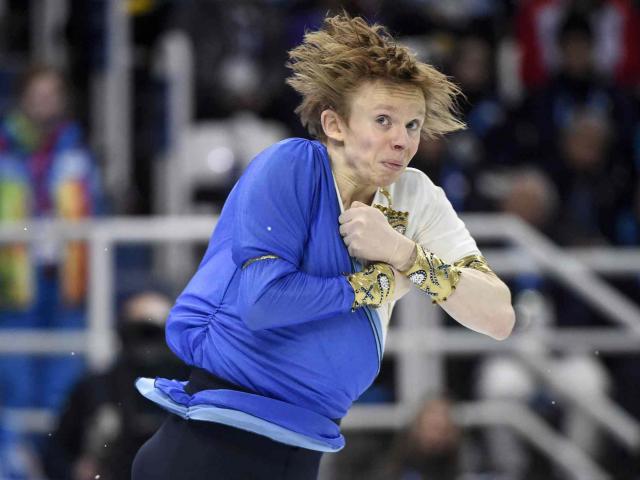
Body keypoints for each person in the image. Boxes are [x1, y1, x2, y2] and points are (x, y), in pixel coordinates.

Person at [131, 13, 515, 480]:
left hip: (302, 449)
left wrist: (406, 256)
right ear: (335, 124)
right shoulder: (291, 166)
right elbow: (264, 302)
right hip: (209, 443)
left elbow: (498, 317)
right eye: (383, 120)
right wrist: (371, 287)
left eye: (413, 125)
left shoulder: (417, 198)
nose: (402, 141)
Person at [0, 65, 103, 411]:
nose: (44, 102)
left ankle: (55, 444)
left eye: (52, 95)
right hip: (13, 280)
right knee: (15, 380)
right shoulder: (3, 149)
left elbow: (94, 208)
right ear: (22, 99)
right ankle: (17, 447)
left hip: (65, 276)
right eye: (37, 95)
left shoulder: (77, 149)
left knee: (64, 378)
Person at [43, 287, 188, 480]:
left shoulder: (187, 390)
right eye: (140, 332)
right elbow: (55, 453)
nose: (147, 346)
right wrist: (77, 470)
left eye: (155, 333)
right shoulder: (96, 386)